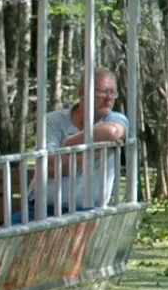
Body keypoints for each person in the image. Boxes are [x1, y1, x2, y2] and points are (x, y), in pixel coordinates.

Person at [39, 67, 131, 215]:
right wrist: (97, 150)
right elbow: (50, 167)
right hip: (42, 208)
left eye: (112, 92)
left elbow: (111, 131)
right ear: (82, 92)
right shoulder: (53, 120)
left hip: (88, 212)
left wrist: (68, 144)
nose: (108, 98)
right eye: (102, 92)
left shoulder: (115, 118)